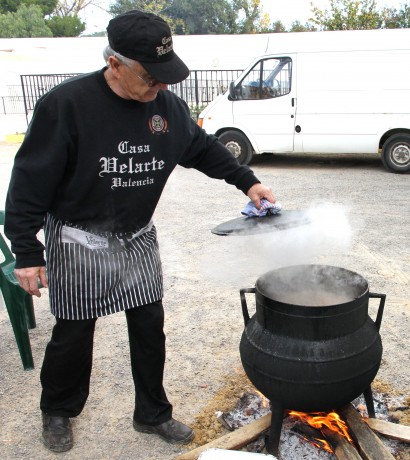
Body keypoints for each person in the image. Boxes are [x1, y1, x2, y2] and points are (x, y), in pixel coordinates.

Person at [5, 10, 275, 453]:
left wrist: (248, 181)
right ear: (115, 63)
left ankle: (153, 413)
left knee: (150, 325)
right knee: (74, 331)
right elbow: (29, 182)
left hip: (135, 235)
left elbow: (202, 149)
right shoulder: (66, 105)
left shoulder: (165, 107)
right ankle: (58, 409)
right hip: (78, 238)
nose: (161, 87)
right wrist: (27, 251)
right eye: (151, 77)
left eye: (166, 77)